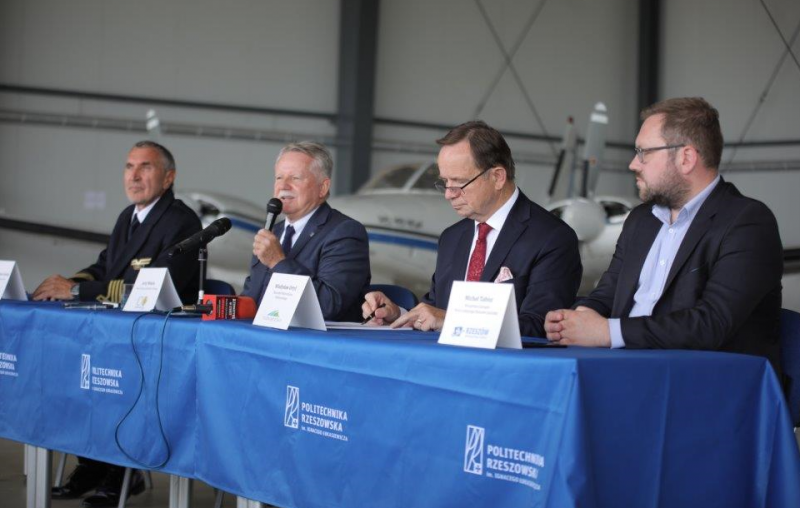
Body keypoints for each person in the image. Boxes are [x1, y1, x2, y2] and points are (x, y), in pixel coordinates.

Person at [544, 97, 783, 375]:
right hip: (626, 370)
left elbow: (711, 324)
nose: (633, 164)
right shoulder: (641, 220)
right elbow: (607, 294)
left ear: (686, 158)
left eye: (643, 152)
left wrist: (606, 332)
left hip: (705, 382)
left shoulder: (747, 223)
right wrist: (574, 319)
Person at [32, 140, 202, 507]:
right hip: (116, 330)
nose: (134, 175)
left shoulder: (181, 221)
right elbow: (106, 266)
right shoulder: (129, 216)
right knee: (77, 374)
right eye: (129, 167)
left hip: (156, 338)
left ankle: (123, 470)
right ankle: (92, 464)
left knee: (116, 383)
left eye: (145, 167)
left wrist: (77, 291)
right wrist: (69, 281)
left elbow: (154, 286)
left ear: (168, 177)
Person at [362, 120, 582, 337]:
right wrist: (399, 315)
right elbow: (436, 310)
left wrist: (451, 320)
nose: (448, 194)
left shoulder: (552, 238)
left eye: (459, 183)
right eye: (445, 182)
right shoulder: (452, 237)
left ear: (497, 177)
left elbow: (541, 326)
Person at [241, 141, 371, 321]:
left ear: (323, 188)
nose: (283, 186)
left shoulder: (345, 232)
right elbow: (252, 298)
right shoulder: (272, 233)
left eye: (295, 178)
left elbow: (328, 305)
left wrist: (278, 262)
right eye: (279, 177)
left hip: (313, 338)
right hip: (260, 334)